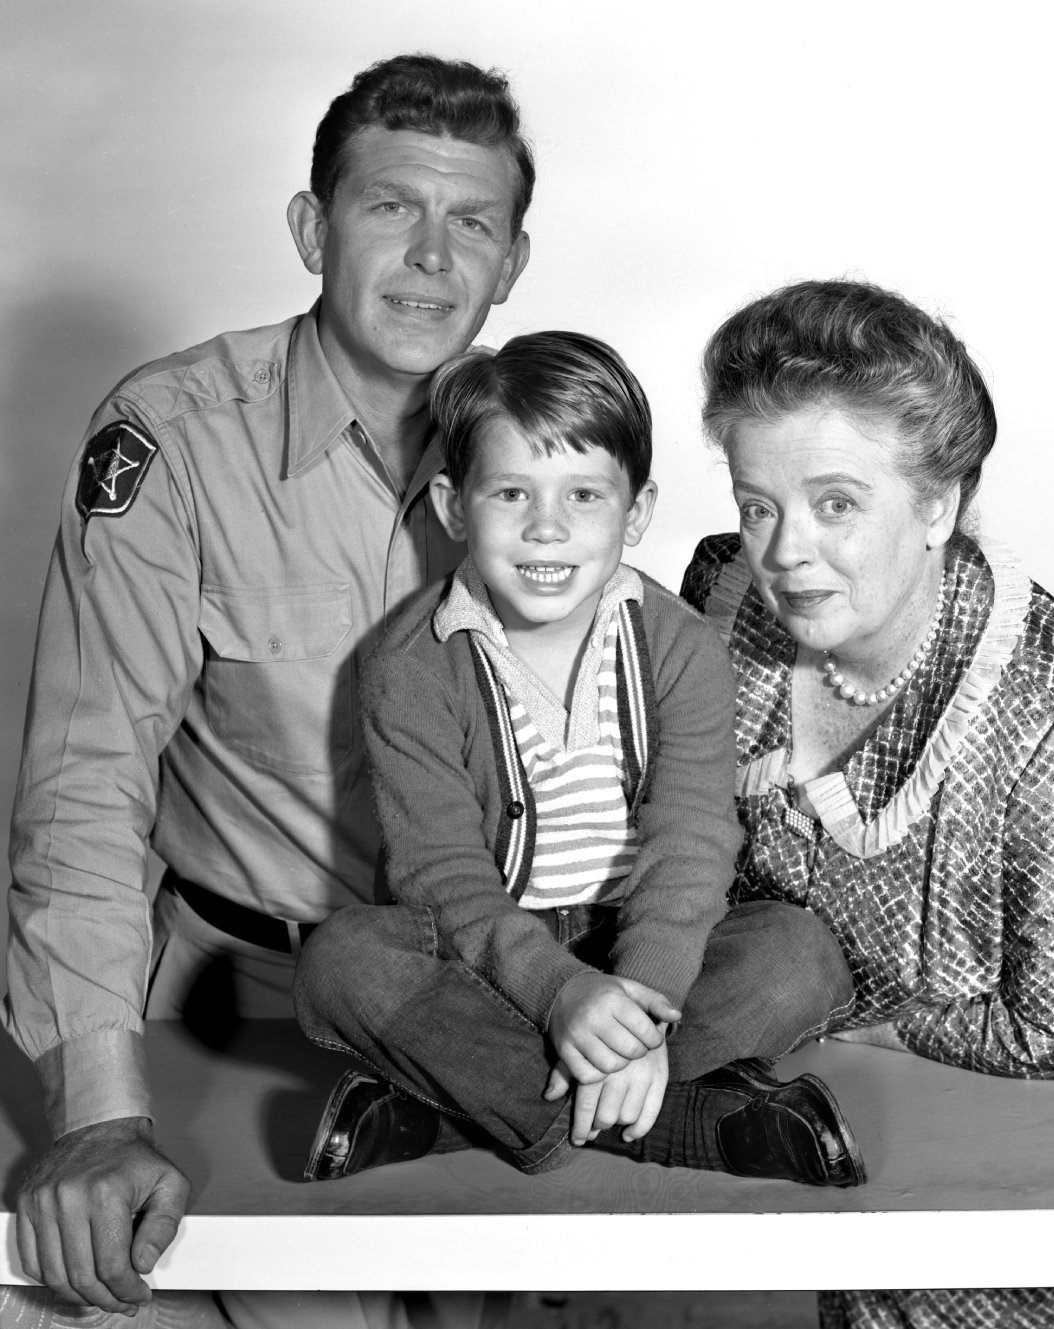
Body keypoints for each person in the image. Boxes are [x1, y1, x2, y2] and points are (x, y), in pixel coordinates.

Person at [3, 53, 534, 1329]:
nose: (429, 259)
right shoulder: (176, 440)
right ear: (311, 228)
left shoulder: (552, 450)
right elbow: (86, 789)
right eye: (389, 208)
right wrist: (99, 1117)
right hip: (236, 1005)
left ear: (512, 262)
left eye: (471, 223)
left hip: (485, 1003)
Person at [681, 278, 1054, 1329]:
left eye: (836, 504)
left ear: (938, 505)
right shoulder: (720, 607)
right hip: (765, 1162)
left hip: (1007, 1220)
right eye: (756, 503)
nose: (783, 552)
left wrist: (856, 1021)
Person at [292, 331, 865, 1187]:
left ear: (635, 513)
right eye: (512, 492)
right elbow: (442, 876)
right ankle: (684, 1124)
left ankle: (455, 1106)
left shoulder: (677, 644)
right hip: (482, 961)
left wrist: (632, 996)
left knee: (798, 954)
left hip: (642, 939)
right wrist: (559, 996)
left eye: (584, 495)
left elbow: (692, 839)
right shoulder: (407, 663)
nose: (546, 527)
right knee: (342, 962)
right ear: (454, 505)